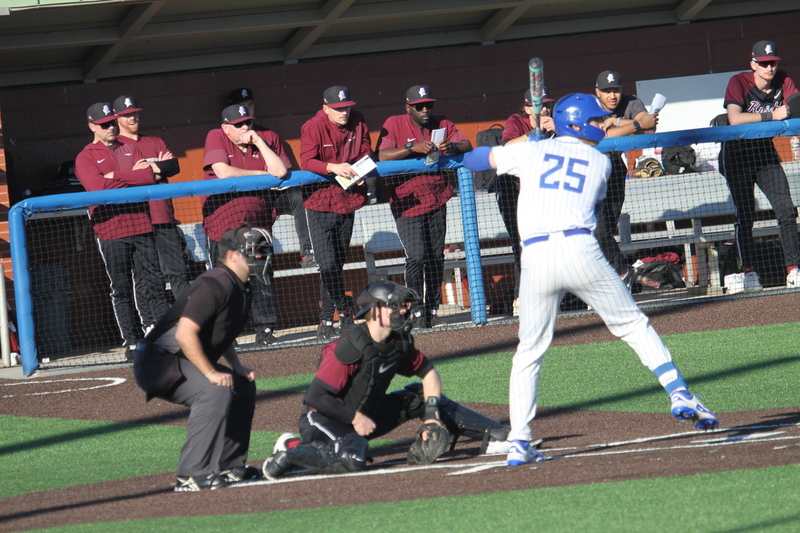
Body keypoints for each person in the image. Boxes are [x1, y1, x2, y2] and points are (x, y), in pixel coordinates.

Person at [463, 93, 719, 467]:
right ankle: (678, 391)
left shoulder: (534, 152)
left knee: (529, 351)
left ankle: (519, 439)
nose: (603, 125)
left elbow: (473, 159)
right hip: (580, 249)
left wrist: (525, 145)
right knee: (632, 324)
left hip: (535, 257)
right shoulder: (600, 162)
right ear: (578, 124)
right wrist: (534, 146)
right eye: (597, 121)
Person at [262, 281, 510, 479]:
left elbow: (429, 373)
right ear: (376, 310)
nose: (404, 310)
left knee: (419, 397)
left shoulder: (398, 344)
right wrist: (354, 418)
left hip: (365, 419)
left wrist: (432, 415)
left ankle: (495, 437)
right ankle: (290, 449)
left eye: (404, 306)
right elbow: (314, 398)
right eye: (397, 306)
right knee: (352, 460)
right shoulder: (349, 347)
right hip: (323, 420)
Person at [133, 227, 269, 491]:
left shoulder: (242, 286)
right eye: (255, 251)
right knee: (214, 390)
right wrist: (210, 373)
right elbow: (185, 334)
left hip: (179, 359)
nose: (262, 257)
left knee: (242, 386)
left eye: (265, 251)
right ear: (232, 255)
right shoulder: (214, 283)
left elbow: (223, 331)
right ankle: (191, 475)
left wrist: (235, 366)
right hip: (158, 362)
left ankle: (230, 466)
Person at [74, 102, 169, 359]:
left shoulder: (131, 147)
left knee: (154, 282)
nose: (111, 127)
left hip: (141, 223)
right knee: (122, 287)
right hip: (110, 228)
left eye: (113, 123)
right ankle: (131, 341)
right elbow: (97, 188)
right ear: (92, 126)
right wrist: (130, 176)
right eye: (105, 124)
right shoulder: (85, 156)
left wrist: (115, 174)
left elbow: (149, 178)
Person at [375, 85, 473, 328]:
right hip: (407, 202)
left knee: (434, 257)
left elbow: (467, 144)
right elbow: (383, 155)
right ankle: (415, 308)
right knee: (416, 257)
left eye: (428, 105)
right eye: (419, 106)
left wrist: (452, 147)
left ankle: (431, 307)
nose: (425, 110)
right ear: (408, 107)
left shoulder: (442, 123)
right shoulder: (395, 123)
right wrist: (411, 148)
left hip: (437, 197)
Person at [202, 104, 289, 346]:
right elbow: (223, 172)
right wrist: (263, 176)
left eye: (248, 123)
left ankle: (266, 328)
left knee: (261, 277)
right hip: (223, 225)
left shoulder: (262, 139)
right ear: (226, 127)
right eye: (238, 124)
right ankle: (226, 332)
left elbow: (280, 171)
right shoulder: (215, 136)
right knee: (225, 282)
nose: (245, 128)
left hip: (257, 223)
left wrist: (260, 143)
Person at [718, 40, 800, 294]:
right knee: (746, 214)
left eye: (773, 62)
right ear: (753, 64)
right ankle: (749, 272)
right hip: (736, 154)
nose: (769, 68)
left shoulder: (783, 80)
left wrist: (787, 112)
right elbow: (735, 119)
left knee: (786, 209)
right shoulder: (739, 82)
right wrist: (771, 116)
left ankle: (793, 269)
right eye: (764, 63)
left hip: (765, 153)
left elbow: (796, 108)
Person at [300, 85, 371, 340]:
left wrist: (360, 172)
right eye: (338, 109)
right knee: (327, 264)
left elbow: (366, 151)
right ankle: (344, 308)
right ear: (326, 108)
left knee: (335, 266)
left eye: (346, 107)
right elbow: (306, 161)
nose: (344, 112)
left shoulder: (358, 119)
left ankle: (326, 321)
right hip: (318, 201)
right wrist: (332, 166)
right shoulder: (314, 125)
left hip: (347, 197)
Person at [112, 95, 190, 304]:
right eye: (127, 115)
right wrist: (155, 169)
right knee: (147, 279)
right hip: (137, 222)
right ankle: (155, 326)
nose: (132, 118)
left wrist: (142, 171)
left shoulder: (155, 141)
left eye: (134, 113)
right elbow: (118, 179)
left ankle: (192, 323)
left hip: (163, 217)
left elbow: (174, 166)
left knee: (178, 273)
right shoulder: (115, 146)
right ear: (117, 118)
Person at [228, 88, 316, 268]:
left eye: (250, 105)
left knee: (299, 195)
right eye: (242, 106)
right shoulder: (225, 135)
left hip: (272, 194)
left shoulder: (268, 135)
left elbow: (283, 172)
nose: (248, 109)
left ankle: (308, 252)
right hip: (243, 200)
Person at [593, 71, 659, 286]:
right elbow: (601, 135)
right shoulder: (589, 106)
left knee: (606, 230)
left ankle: (609, 281)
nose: (612, 95)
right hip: (589, 172)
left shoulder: (630, 100)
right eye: (607, 91)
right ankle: (623, 272)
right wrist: (634, 126)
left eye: (616, 90)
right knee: (598, 229)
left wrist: (618, 121)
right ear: (597, 92)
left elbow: (650, 126)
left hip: (613, 170)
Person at [498, 87, 556, 316]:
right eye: (538, 105)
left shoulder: (556, 121)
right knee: (521, 244)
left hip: (543, 190)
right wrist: (536, 131)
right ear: (527, 107)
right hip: (513, 190)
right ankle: (524, 297)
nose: (544, 109)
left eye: (547, 104)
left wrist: (559, 129)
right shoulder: (516, 120)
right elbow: (508, 146)